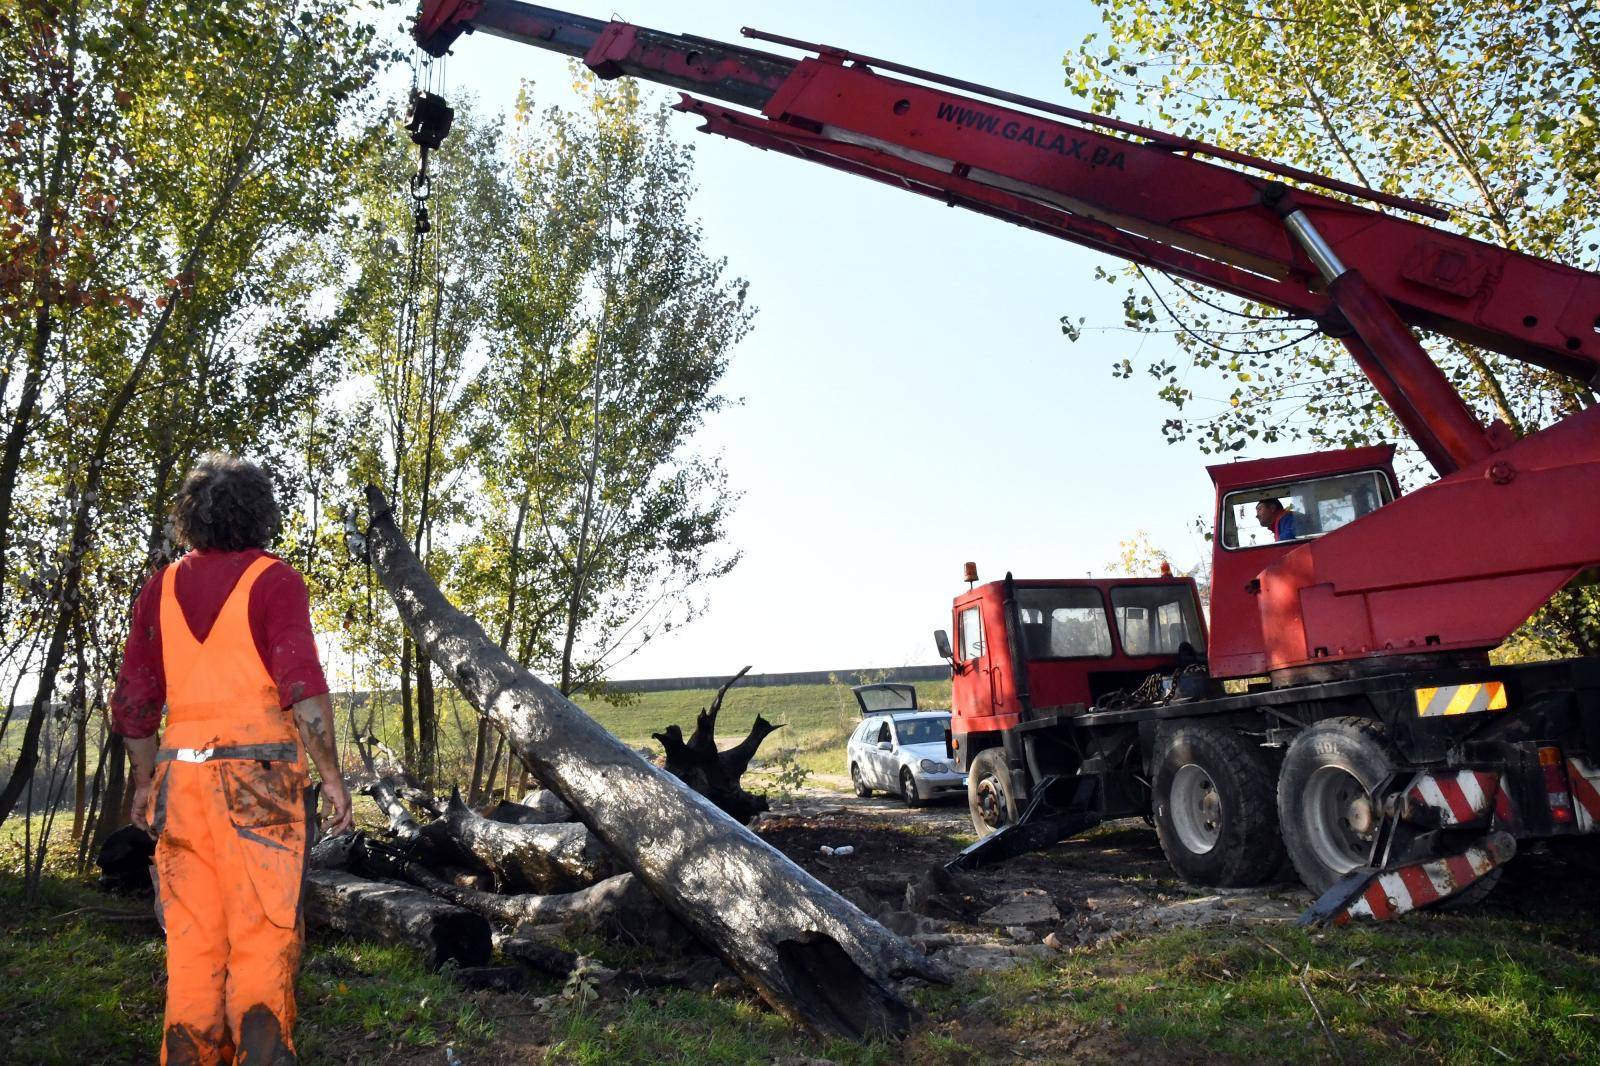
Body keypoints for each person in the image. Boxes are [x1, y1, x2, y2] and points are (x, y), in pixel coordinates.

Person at [112, 454, 353, 1065]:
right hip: (261, 781)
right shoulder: (274, 580)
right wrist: (331, 775)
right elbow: (303, 691)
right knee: (263, 935)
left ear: (190, 518)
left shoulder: (160, 588)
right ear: (260, 514)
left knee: (191, 943)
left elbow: (137, 703)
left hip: (180, 783)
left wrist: (145, 781)